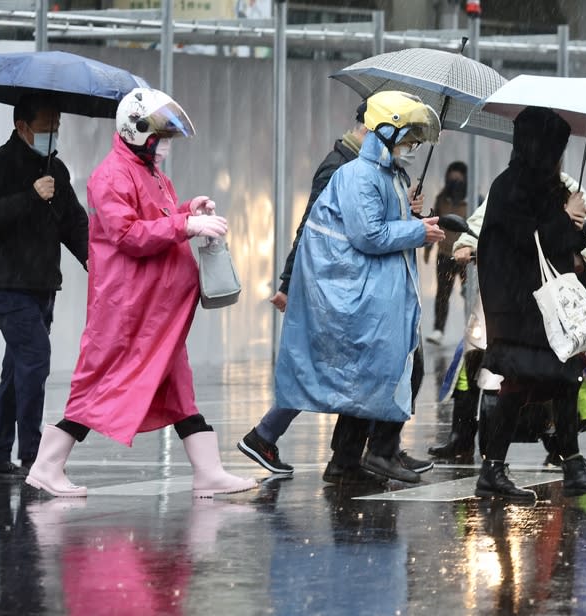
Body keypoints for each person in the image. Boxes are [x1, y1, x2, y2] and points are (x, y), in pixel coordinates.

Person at [24, 87, 257, 498]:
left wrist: (188, 210)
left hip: (155, 309)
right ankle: (46, 466)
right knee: (101, 385)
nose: (165, 146)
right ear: (137, 133)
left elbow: (157, 218)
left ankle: (208, 470)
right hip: (128, 308)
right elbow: (129, 234)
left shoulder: (148, 171)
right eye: (159, 137)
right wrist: (185, 226)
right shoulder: (111, 175)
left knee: (179, 388)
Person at [237, 101, 433, 483]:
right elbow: (324, 227)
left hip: (359, 288)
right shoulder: (345, 169)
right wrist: (289, 282)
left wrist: (405, 213)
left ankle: (350, 457)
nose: (409, 145)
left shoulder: (380, 171)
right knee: (338, 372)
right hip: (344, 290)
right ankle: (362, 451)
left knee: (341, 374)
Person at [430, 175, 586, 468]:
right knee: (470, 358)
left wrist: (575, 237)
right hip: (514, 297)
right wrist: (466, 244)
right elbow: (482, 220)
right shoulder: (508, 185)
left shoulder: (572, 190)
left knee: (585, 365)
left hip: (559, 299)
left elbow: (579, 249)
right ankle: (465, 438)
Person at [475, 105, 586, 501]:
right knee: (527, 383)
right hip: (522, 308)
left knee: (559, 380)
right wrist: (565, 217)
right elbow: (534, 241)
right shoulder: (516, 188)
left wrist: (570, 219)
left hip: (532, 309)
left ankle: (567, 463)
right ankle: (500, 469)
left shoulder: (534, 185)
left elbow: (551, 239)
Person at [0, 94, 89, 479]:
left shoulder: (57, 171)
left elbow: (74, 225)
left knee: (18, 369)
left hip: (42, 284)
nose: (52, 133)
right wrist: (30, 196)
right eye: (46, 126)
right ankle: (34, 457)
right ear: (22, 127)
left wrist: (97, 263)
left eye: (56, 126)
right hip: (6, 284)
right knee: (35, 359)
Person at [424, 161, 469, 346]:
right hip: (444, 254)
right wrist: (427, 249)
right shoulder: (442, 199)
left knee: (470, 294)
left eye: (459, 178)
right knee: (442, 294)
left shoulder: (474, 198)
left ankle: (473, 329)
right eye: (452, 177)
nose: (455, 181)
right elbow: (433, 223)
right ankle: (438, 329)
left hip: (467, 257)